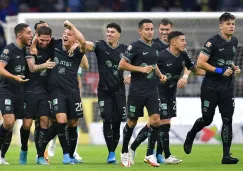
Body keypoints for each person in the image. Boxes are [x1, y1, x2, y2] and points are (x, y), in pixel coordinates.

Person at [130, 18, 191, 164]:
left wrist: (185, 76)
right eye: (162, 30)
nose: (164, 32)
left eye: (167, 30)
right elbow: (142, 61)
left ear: (172, 31)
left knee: (162, 124)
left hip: (171, 91)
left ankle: (153, 153)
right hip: (156, 90)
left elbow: (189, 64)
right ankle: (157, 154)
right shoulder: (154, 45)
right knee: (159, 122)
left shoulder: (179, 47)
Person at [183, 12, 240, 164]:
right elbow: (200, 62)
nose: (231, 26)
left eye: (233, 24)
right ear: (221, 26)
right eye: (228, 24)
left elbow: (227, 61)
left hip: (227, 88)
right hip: (211, 87)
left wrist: (234, 67)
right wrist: (220, 71)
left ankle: (226, 156)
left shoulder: (234, 41)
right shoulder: (212, 42)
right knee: (207, 120)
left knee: (227, 120)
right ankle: (191, 134)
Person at [119, 19, 166, 167]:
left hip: (152, 90)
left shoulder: (156, 46)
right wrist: (140, 69)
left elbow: (153, 64)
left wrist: (160, 75)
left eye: (152, 29)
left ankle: (149, 154)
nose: (150, 31)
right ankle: (125, 151)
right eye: (147, 29)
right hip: (136, 91)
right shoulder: (134, 47)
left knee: (156, 120)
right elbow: (122, 65)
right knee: (132, 122)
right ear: (140, 31)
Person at [80, 22, 129, 164]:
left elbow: (139, 64)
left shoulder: (126, 49)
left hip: (119, 90)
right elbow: (85, 43)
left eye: (112, 32)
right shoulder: (100, 46)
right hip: (104, 91)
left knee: (117, 122)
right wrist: (72, 30)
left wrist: (132, 75)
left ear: (118, 34)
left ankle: (115, 149)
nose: (109, 34)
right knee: (107, 119)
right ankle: (111, 153)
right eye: (107, 32)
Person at [49, 20, 86, 164]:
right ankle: (65, 155)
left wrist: (71, 26)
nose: (65, 36)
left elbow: (83, 42)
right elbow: (42, 37)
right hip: (57, 92)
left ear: (74, 39)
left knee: (73, 123)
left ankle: (71, 155)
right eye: (64, 33)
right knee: (61, 120)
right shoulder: (56, 45)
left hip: (73, 92)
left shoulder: (77, 52)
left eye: (69, 34)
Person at [19, 26, 56, 165]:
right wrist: (45, 65)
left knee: (45, 121)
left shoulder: (52, 46)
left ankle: (41, 155)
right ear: (36, 36)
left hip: (45, 92)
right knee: (27, 124)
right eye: (42, 40)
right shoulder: (30, 48)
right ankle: (24, 149)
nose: (44, 43)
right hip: (29, 91)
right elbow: (32, 68)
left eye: (47, 40)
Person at [0, 23, 32, 164]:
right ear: (19, 35)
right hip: (7, 90)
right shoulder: (9, 49)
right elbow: (0, 68)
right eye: (28, 33)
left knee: (14, 124)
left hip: (22, 92)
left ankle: (2, 156)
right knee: (8, 122)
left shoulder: (28, 50)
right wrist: (14, 77)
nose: (31, 35)